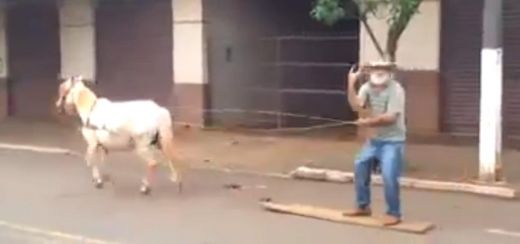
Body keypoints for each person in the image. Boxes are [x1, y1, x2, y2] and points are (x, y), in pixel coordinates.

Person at [343, 60, 406, 226]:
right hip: (374, 140)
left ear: (390, 72)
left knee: (389, 175)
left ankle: (394, 213)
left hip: (393, 141)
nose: (379, 71)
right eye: (376, 68)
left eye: (383, 68)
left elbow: (391, 118)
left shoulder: (396, 89)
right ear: (370, 71)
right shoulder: (367, 88)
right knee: (360, 165)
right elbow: (356, 105)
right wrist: (351, 84)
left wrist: (368, 123)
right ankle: (363, 206)